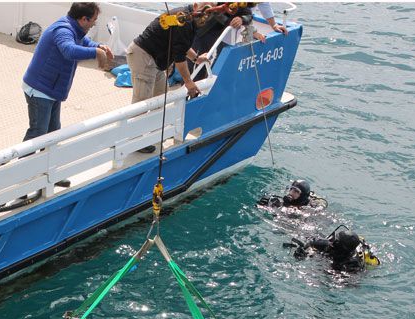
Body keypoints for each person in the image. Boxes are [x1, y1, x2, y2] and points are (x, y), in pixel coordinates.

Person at [21, 2, 113, 188]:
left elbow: (83, 42)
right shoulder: (63, 30)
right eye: (94, 20)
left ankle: (50, 173)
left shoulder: (75, 29)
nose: (94, 24)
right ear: (84, 19)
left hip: (52, 90)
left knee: (53, 133)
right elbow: (69, 50)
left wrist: (99, 46)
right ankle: (22, 178)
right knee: (38, 133)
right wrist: (95, 53)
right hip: (40, 90)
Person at [126, 3, 210, 153]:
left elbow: (182, 46)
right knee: (142, 100)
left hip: (156, 61)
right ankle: (134, 141)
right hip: (144, 56)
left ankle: (154, 133)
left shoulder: (190, 21)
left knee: (160, 96)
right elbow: (179, 58)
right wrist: (188, 82)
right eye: (205, 10)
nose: (206, 15)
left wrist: (196, 58)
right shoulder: (183, 19)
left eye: (210, 13)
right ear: (196, 6)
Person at [189, 2, 253, 80]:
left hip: (222, 32)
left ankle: (208, 80)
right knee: (196, 60)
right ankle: (191, 83)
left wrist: (241, 19)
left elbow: (248, 15)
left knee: (215, 58)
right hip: (202, 30)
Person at [290, 228, 380, 272]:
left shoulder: (351, 264)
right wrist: (302, 252)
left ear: (341, 246)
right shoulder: (332, 246)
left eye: (336, 241)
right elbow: (311, 243)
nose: (332, 242)